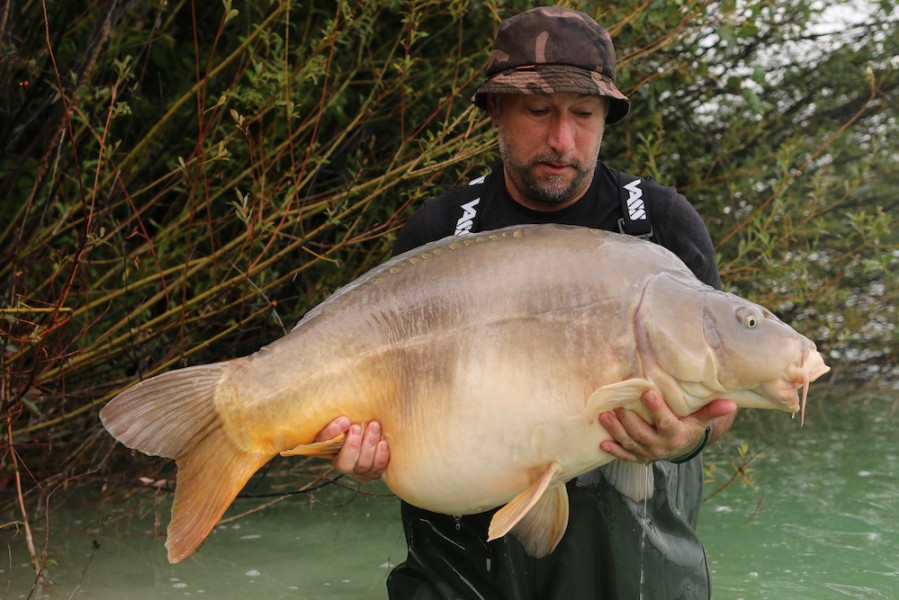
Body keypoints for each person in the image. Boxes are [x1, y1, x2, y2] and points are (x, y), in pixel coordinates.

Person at [314, 7, 738, 599]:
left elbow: (722, 405)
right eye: (539, 112)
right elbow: (389, 409)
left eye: (584, 115)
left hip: (631, 574)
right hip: (462, 569)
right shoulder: (439, 232)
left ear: (606, 118)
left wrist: (684, 438)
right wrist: (363, 454)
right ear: (496, 110)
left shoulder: (660, 227)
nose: (562, 141)